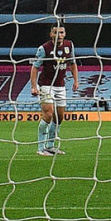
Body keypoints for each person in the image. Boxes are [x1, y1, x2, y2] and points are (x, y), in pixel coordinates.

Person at [30, 23, 79, 156]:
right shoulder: (44, 48)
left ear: (65, 34)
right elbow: (35, 67)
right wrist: (34, 86)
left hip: (60, 85)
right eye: (56, 32)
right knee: (48, 114)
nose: (59, 35)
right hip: (46, 84)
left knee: (60, 116)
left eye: (62, 32)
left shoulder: (69, 46)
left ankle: (50, 146)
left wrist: (76, 80)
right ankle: (40, 148)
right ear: (51, 34)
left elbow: (73, 63)